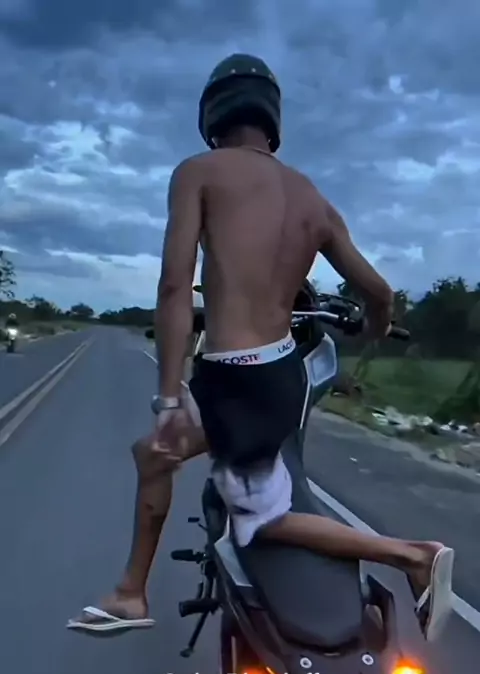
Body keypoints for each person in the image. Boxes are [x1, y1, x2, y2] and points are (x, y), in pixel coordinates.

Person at [68, 54, 454, 642]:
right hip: (280, 374)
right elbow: (378, 292)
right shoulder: (311, 198)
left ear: (212, 115)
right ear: (273, 119)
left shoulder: (198, 172)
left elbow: (174, 287)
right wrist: (375, 328)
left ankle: (412, 554)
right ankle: (132, 590)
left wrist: (168, 399)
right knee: (166, 461)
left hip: (232, 378)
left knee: (251, 515)